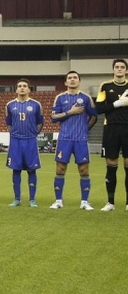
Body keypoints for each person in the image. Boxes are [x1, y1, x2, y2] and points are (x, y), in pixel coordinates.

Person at [50, 71, 98, 210]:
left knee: (84, 170)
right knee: (60, 169)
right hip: (64, 139)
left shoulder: (86, 98)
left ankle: (84, 202)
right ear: (66, 82)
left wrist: (85, 129)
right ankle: (58, 201)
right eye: (69, 78)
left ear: (79, 81)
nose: (72, 80)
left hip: (81, 139)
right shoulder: (60, 98)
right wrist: (70, 112)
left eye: (75, 78)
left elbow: (94, 116)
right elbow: (53, 117)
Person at [95, 58, 128, 212]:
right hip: (111, 129)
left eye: (122, 67)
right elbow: (99, 109)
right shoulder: (105, 86)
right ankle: (110, 202)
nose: (119, 69)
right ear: (113, 69)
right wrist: (117, 104)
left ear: (126, 70)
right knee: (111, 166)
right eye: (117, 67)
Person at [6, 78, 44, 207]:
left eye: (24, 86)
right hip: (15, 141)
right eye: (19, 86)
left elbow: (40, 122)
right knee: (16, 170)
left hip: (30, 141)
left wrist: (33, 133)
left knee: (31, 170)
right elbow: (8, 123)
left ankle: (32, 199)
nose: (22, 88)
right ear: (16, 90)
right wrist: (14, 133)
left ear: (29, 89)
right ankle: (17, 199)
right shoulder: (10, 105)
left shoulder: (36, 105)